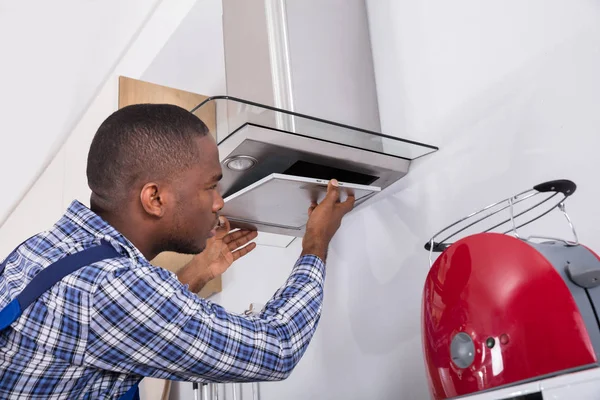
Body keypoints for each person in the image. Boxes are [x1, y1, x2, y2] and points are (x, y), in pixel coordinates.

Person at [0, 104, 354, 399]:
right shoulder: (114, 289)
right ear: (155, 198)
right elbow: (278, 350)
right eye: (211, 186)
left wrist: (193, 276)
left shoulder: (49, 247)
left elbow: (113, 326)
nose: (219, 202)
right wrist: (315, 244)